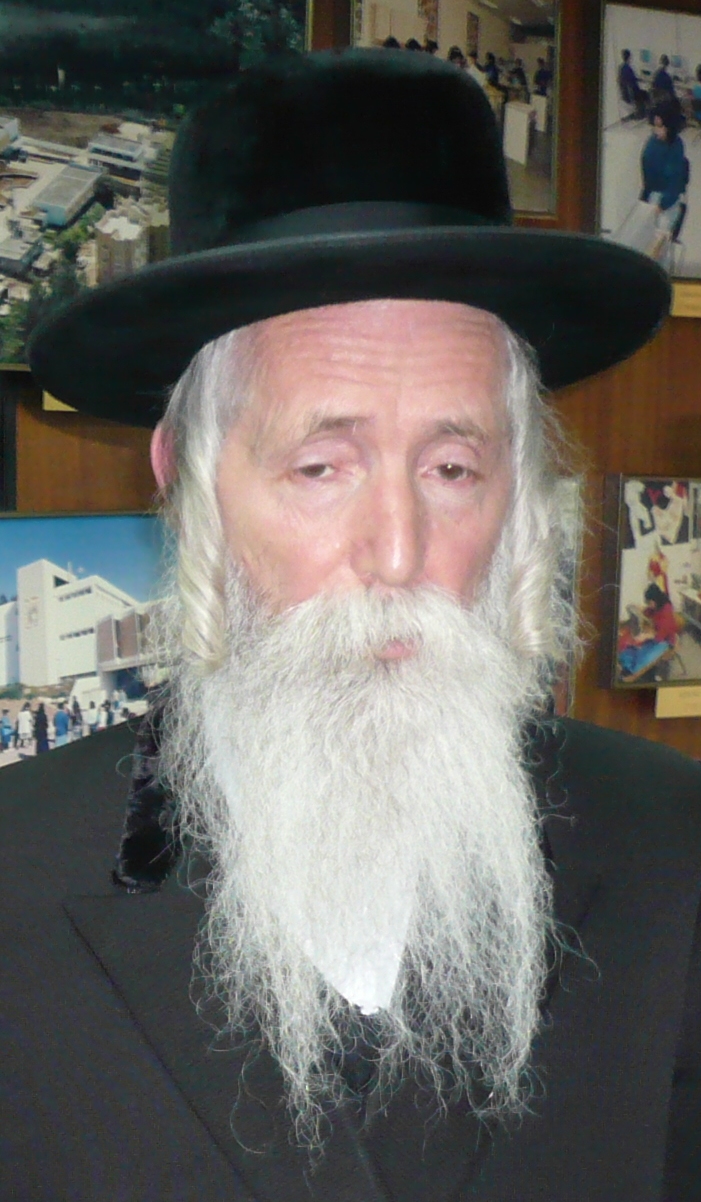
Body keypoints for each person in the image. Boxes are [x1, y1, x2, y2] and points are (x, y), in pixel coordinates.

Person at [4, 50, 696, 1201]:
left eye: (451, 467)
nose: (397, 551)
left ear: (518, 491)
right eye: (321, 466)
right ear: (186, 479)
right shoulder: (12, 869)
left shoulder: (673, 845)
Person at [641, 100, 688, 262]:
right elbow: (647, 178)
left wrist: (662, 204)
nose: (657, 131)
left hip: (669, 200)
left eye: (660, 127)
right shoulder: (652, 144)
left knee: (660, 237)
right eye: (655, 126)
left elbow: (675, 181)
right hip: (653, 196)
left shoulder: (676, 146)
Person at [617, 48, 647, 118]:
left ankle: (639, 112)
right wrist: (643, 80)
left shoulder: (621, 67)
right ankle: (642, 114)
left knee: (642, 92)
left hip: (624, 92)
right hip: (631, 92)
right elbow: (633, 80)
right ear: (629, 57)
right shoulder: (628, 68)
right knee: (646, 94)